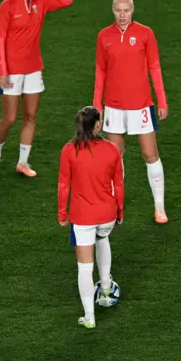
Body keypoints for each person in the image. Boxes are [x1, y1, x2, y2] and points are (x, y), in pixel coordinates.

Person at [0, 0, 73, 177]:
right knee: (10, 118)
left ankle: (23, 162)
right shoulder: (7, 5)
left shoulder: (42, 4)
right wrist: (2, 69)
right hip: (12, 71)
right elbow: (0, 38)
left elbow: (67, 0)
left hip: (34, 68)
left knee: (30, 116)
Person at [93, 0, 168, 224]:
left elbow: (154, 67)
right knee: (116, 157)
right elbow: (100, 71)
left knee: (149, 153)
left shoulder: (145, 33)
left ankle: (159, 208)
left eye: (126, 10)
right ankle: (117, 207)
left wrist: (162, 101)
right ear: (112, 10)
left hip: (142, 105)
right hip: (113, 106)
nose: (122, 15)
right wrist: (97, 105)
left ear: (133, 9)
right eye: (118, 10)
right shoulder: (104, 36)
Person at [57, 106, 124, 329]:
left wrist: (62, 213)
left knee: (84, 268)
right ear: (97, 125)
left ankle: (89, 317)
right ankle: (105, 289)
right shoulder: (112, 150)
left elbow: (63, 185)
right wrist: (120, 211)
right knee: (103, 239)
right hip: (106, 215)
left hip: (83, 217)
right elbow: (119, 185)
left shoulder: (68, 150)